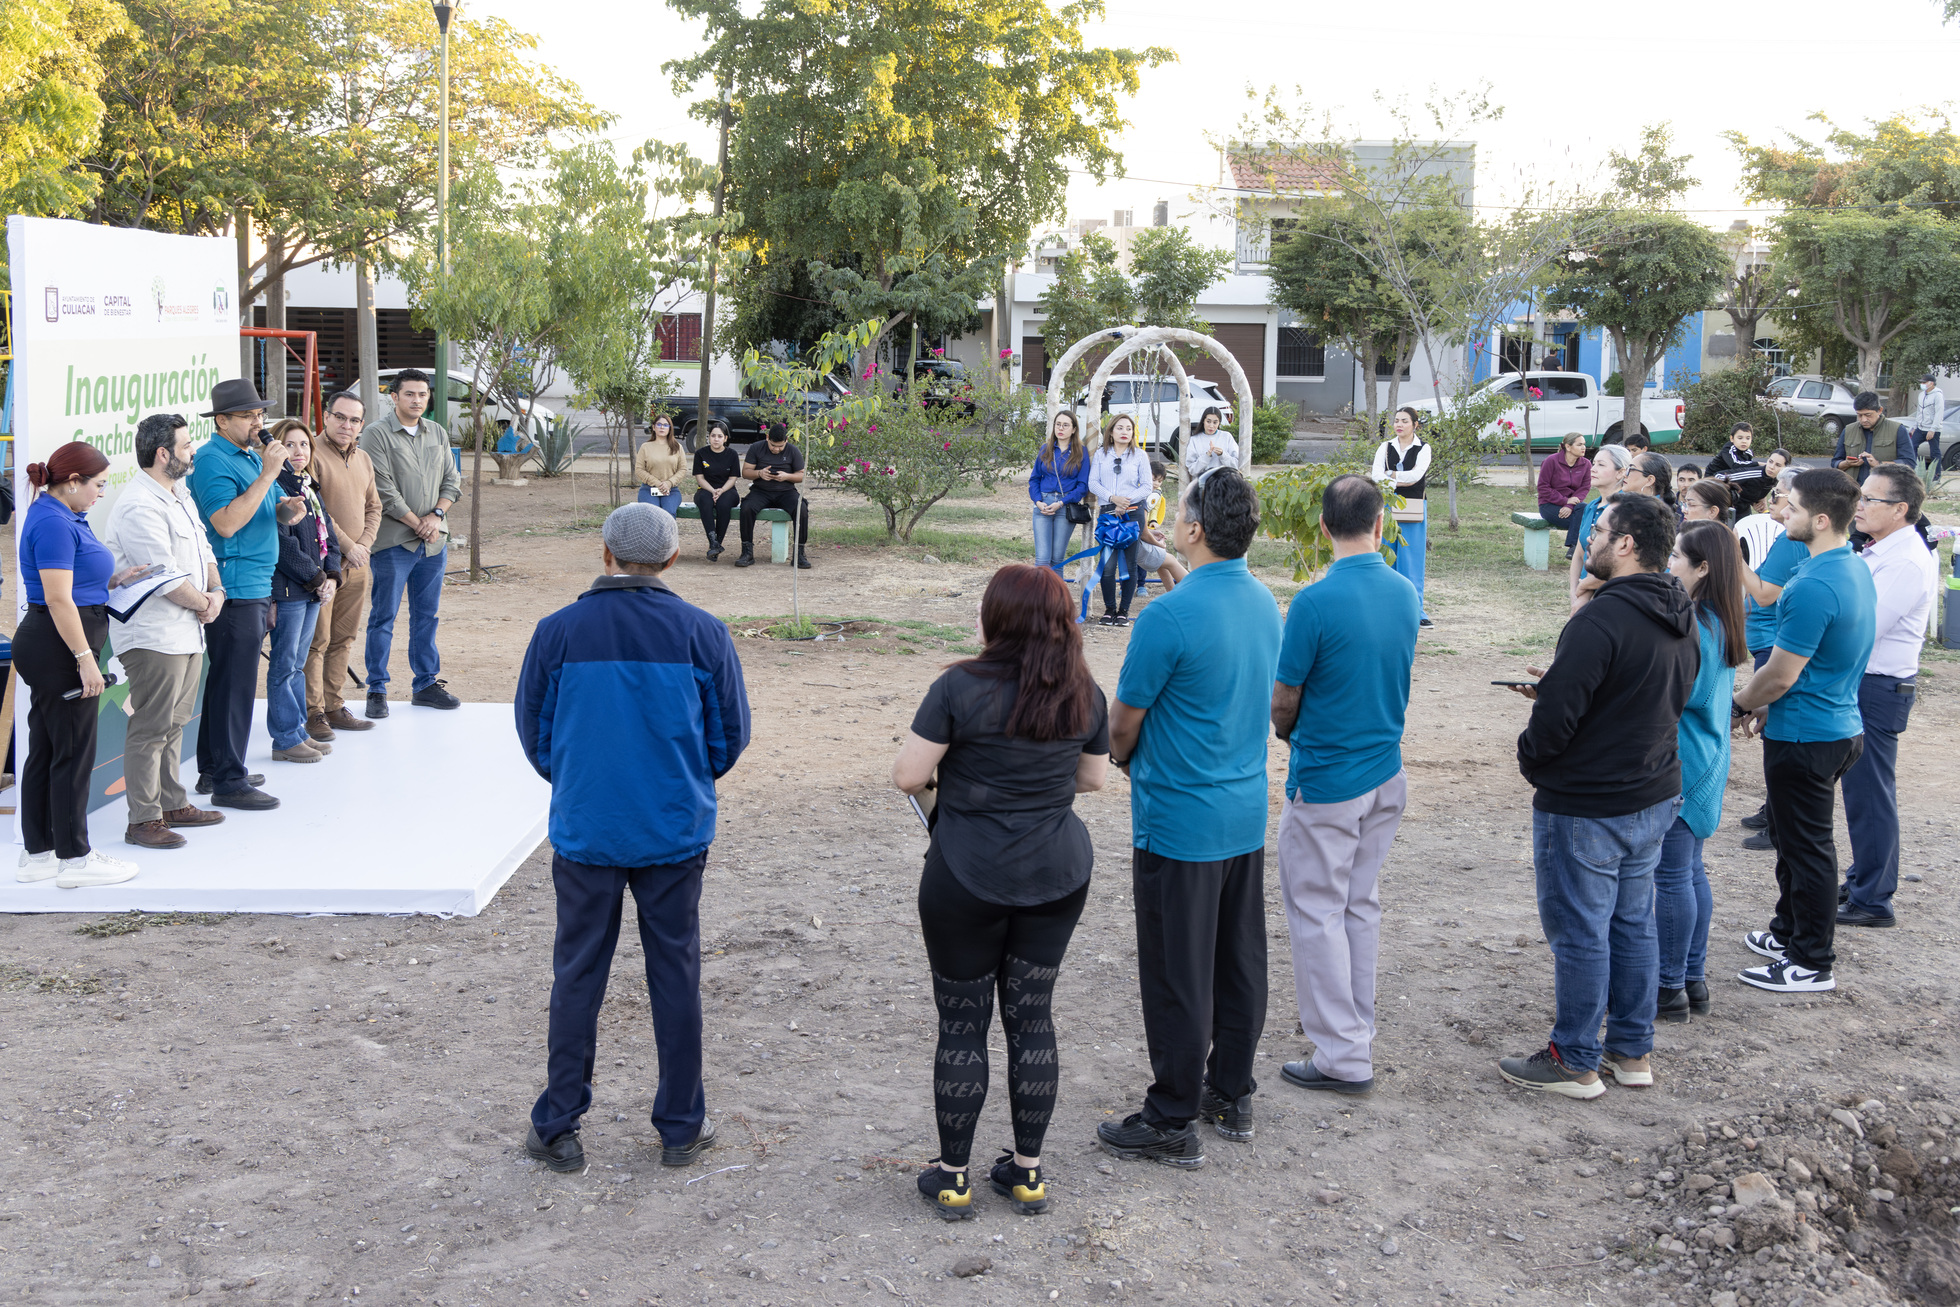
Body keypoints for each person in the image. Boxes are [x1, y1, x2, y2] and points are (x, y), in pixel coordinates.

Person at [514, 502, 752, 1174]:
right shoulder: (702, 633)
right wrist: (682, 778)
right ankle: (681, 1125)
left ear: (605, 553)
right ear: (673, 558)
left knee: (577, 974)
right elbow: (729, 735)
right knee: (675, 971)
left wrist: (577, 777)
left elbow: (535, 731)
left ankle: (558, 1121)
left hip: (588, 826)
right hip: (673, 827)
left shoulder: (557, 631)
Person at [891, 565, 1109, 1219]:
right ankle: (1027, 1171)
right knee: (1031, 1017)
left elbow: (909, 775)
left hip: (966, 873)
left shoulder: (957, 686)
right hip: (1057, 873)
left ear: (997, 619)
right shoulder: (1084, 691)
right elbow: (1094, 780)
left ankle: (953, 1177)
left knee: (963, 1024)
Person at [1099, 468, 1281, 1165]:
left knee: (1179, 970)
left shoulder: (1164, 618)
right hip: (1242, 812)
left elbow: (1122, 724)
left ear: (1196, 528)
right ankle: (1230, 1091)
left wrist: (1123, 761)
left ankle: (1171, 1114)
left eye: (1180, 513)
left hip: (1180, 820)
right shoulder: (1265, 602)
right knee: (1238, 959)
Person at [1501, 494, 1695, 1098]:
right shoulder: (1680, 612)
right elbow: (1651, 695)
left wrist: (1534, 758)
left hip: (1589, 803)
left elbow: (1555, 725)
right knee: (1632, 923)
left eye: (1601, 529)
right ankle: (1630, 1052)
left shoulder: (1599, 619)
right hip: (1652, 792)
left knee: (1582, 929)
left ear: (1628, 544)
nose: (1589, 538)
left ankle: (1574, 1059)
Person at [1269, 475, 1420, 1095]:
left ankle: (1342, 1055)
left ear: (1324, 527)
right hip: (1385, 772)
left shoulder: (1313, 602)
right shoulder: (1406, 591)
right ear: (1380, 524)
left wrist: (1289, 735)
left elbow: (1284, 701)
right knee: (1359, 906)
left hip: (1329, 779)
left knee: (1318, 913)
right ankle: (1354, 1033)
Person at [1730, 469, 1876, 994]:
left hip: (1809, 737)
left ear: (1818, 519)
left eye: (1788, 508)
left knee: (1808, 849)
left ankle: (1812, 960)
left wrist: (1740, 704)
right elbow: (1818, 665)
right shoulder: (1850, 569)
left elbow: (1782, 672)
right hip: (1832, 724)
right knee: (1794, 843)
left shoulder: (1813, 584)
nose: (1779, 514)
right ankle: (1788, 931)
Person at [14, 441, 149, 886]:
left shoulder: (62, 515)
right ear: (72, 482)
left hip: (55, 642)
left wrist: (112, 580)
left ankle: (38, 855)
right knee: (71, 752)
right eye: (97, 485)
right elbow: (56, 597)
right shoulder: (53, 521)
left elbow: (71, 582)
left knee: (49, 749)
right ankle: (76, 859)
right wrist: (86, 660)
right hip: (59, 646)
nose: (100, 493)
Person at [103, 415, 226, 851]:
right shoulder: (139, 505)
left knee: (173, 725)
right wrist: (206, 603)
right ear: (163, 454)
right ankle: (143, 820)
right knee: (151, 729)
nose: (192, 451)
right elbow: (164, 578)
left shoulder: (179, 493)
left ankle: (173, 804)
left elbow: (205, 549)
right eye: (187, 445)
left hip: (188, 630)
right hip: (154, 636)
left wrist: (216, 590)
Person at [189, 378, 303, 811]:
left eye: (260, 415)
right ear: (222, 421)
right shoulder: (212, 460)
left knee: (226, 683)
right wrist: (271, 472)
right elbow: (226, 522)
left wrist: (287, 509)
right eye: (248, 416)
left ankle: (213, 769)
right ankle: (230, 782)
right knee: (235, 686)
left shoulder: (248, 457)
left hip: (255, 581)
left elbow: (267, 506)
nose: (259, 423)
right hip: (234, 588)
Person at [1655, 521, 1750, 1023]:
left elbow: (1683, 694)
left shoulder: (1698, 624)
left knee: (1671, 876)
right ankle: (1691, 977)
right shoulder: (1719, 618)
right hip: (1706, 759)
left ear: (1703, 567)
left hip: (1685, 763)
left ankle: (1669, 986)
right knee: (1688, 872)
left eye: (1675, 556)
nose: (1669, 564)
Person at [1837, 465, 1939, 928]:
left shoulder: (1905, 560)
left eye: (1871, 500)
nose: (1860, 505)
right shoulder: (1883, 550)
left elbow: (1865, 627)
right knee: (1861, 793)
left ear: (1900, 510)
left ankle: (1873, 898)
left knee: (1870, 794)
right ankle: (1863, 879)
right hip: (1867, 683)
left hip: (1877, 687)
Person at [361, 368, 461, 716]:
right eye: (409, 394)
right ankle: (377, 689)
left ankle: (426, 685)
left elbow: (452, 479)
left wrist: (436, 516)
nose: (417, 400)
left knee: (427, 616)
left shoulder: (437, 432)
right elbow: (382, 489)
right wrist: (417, 523)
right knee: (383, 616)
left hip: (434, 543)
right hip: (393, 544)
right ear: (394, 397)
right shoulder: (375, 435)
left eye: (422, 394)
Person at [305, 390, 382, 743]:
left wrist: (363, 546)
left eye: (354, 420)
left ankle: (335, 706)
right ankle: (313, 713)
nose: (346, 425)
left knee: (344, 639)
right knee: (317, 641)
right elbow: (317, 509)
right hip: (323, 567)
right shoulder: (310, 453)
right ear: (326, 416)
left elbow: (374, 507)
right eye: (340, 417)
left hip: (357, 565)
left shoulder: (364, 459)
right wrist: (349, 547)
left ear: (361, 425)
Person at [267, 420, 344, 764]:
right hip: (289, 591)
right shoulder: (275, 486)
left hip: (313, 590)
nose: (298, 452)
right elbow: (280, 544)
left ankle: (298, 731)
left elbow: (330, 538)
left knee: (297, 665)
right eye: (290, 445)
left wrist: (331, 576)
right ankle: (284, 738)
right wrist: (315, 577)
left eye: (304, 445)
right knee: (283, 666)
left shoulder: (310, 486)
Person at [1736, 471, 1805, 843]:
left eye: (1779, 497)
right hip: (1765, 640)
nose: (1771, 502)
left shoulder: (1790, 542)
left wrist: (1734, 559)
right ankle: (1772, 810)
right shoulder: (1785, 539)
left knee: (1775, 732)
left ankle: (1778, 819)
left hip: (1772, 643)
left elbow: (1764, 595)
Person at [1088, 414, 1150, 625]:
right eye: (1120, 428)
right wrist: (1113, 499)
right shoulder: (1101, 454)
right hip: (1108, 513)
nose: (1124, 432)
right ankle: (1109, 609)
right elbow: (1093, 483)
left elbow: (1147, 486)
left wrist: (1126, 500)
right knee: (1107, 564)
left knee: (1130, 564)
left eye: (1129, 429)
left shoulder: (1140, 456)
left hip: (1132, 513)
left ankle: (1123, 610)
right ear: (1111, 432)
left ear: (1133, 433)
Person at [1372, 407, 1432, 628]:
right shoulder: (1385, 447)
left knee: (1411, 558)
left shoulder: (1424, 448)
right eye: (1396, 421)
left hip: (1413, 506)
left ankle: (1416, 611)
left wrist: (1391, 474)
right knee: (1386, 555)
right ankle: (1385, 608)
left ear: (1415, 424)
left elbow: (1416, 476)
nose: (1399, 425)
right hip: (1386, 506)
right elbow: (1376, 476)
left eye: (1404, 421)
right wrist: (1398, 479)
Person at [734, 423, 812, 570]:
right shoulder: (756, 448)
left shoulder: (793, 451)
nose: (776, 449)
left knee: (801, 509)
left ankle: (799, 554)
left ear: (787, 440)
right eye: (773, 445)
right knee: (746, 508)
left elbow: (801, 475)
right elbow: (745, 472)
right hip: (761, 491)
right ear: (767, 437)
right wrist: (759, 473)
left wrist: (787, 476)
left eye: (780, 446)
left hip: (786, 491)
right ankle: (747, 552)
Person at [1029, 411, 1090, 578]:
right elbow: (1034, 479)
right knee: (1042, 560)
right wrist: (1038, 502)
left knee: (1057, 560)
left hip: (1065, 505)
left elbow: (1082, 486)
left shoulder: (1081, 452)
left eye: (1065, 425)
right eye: (1058, 424)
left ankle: (1056, 602)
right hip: (1043, 504)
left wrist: (1061, 502)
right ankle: (1039, 602)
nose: (1060, 428)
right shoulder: (1045, 449)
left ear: (1074, 429)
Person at [1567, 443, 1631, 603]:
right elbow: (1579, 553)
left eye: (1601, 465)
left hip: (1611, 596)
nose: (1593, 469)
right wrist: (1574, 591)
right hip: (1583, 592)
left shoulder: (1626, 508)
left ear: (1621, 472)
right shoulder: (1591, 507)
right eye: (1594, 463)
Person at [689, 419, 741, 560]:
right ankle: (713, 543)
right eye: (713, 436)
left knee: (724, 504)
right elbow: (700, 478)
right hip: (705, 489)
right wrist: (713, 491)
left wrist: (721, 490)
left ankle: (716, 545)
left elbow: (732, 479)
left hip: (728, 490)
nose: (716, 439)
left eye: (719, 436)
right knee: (705, 501)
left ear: (725, 438)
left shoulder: (732, 454)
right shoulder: (701, 453)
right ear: (709, 437)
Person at [1134, 458, 1188, 591]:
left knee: (1162, 563)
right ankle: (1197, 592)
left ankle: (1173, 594)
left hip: (1133, 538)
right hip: (1136, 542)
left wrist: (1151, 530)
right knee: (1169, 560)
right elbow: (1142, 530)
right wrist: (1157, 543)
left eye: (1159, 481)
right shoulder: (1144, 497)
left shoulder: (1146, 494)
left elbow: (1141, 525)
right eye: (1153, 479)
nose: (1156, 484)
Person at [1833, 393, 1907, 487]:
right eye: (1859, 415)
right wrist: (1847, 463)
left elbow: (1908, 463)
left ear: (1880, 410)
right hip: (1852, 490)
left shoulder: (1897, 429)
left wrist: (1878, 464)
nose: (1863, 419)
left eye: (1868, 415)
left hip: (1884, 489)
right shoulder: (1848, 430)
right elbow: (1835, 463)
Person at [1537, 432, 1591, 556]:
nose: (1584, 447)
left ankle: (1573, 548)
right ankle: (1576, 549)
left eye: (1584, 444)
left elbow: (1585, 487)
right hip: (1549, 505)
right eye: (1579, 445)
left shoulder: (1586, 464)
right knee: (1585, 523)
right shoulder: (1551, 461)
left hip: (1573, 507)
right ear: (1568, 446)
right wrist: (1564, 501)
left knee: (1584, 508)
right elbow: (1543, 487)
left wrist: (1569, 505)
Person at [1703, 422, 1771, 515]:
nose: (1744, 441)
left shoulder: (1748, 453)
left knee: (1750, 483)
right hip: (1714, 480)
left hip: (1732, 479)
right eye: (1740, 438)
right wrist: (1758, 464)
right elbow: (1735, 465)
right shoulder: (1728, 449)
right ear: (1732, 438)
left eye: (1748, 438)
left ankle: (1755, 504)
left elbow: (1745, 474)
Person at [635, 413, 687, 515]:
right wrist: (657, 483)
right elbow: (639, 469)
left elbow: (682, 469)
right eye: (659, 424)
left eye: (665, 425)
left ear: (670, 428)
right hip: (649, 489)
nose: (662, 427)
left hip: (671, 490)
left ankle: (669, 532)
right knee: (653, 513)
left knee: (669, 512)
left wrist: (669, 483)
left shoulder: (677, 447)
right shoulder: (645, 447)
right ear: (654, 427)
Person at [1909, 373, 1945, 487]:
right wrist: (1915, 427)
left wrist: (1933, 429)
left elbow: (1939, 413)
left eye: (1924, 382)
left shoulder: (1938, 395)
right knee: (1911, 446)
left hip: (1933, 429)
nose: (1922, 384)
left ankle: (1936, 476)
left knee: (1934, 452)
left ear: (1931, 383)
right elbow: (1919, 412)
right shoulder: (1921, 395)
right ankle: (1912, 472)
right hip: (1920, 427)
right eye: (1922, 382)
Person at [1182, 406, 1238, 477]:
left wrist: (1223, 455)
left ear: (1219, 423)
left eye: (1215, 422)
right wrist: (1207, 456)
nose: (1211, 426)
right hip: (1202, 483)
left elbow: (1237, 464)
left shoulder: (1227, 437)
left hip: (1224, 482)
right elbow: (1192, 470)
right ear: (1203, 421)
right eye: (1208, 421)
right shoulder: (1194, 440)